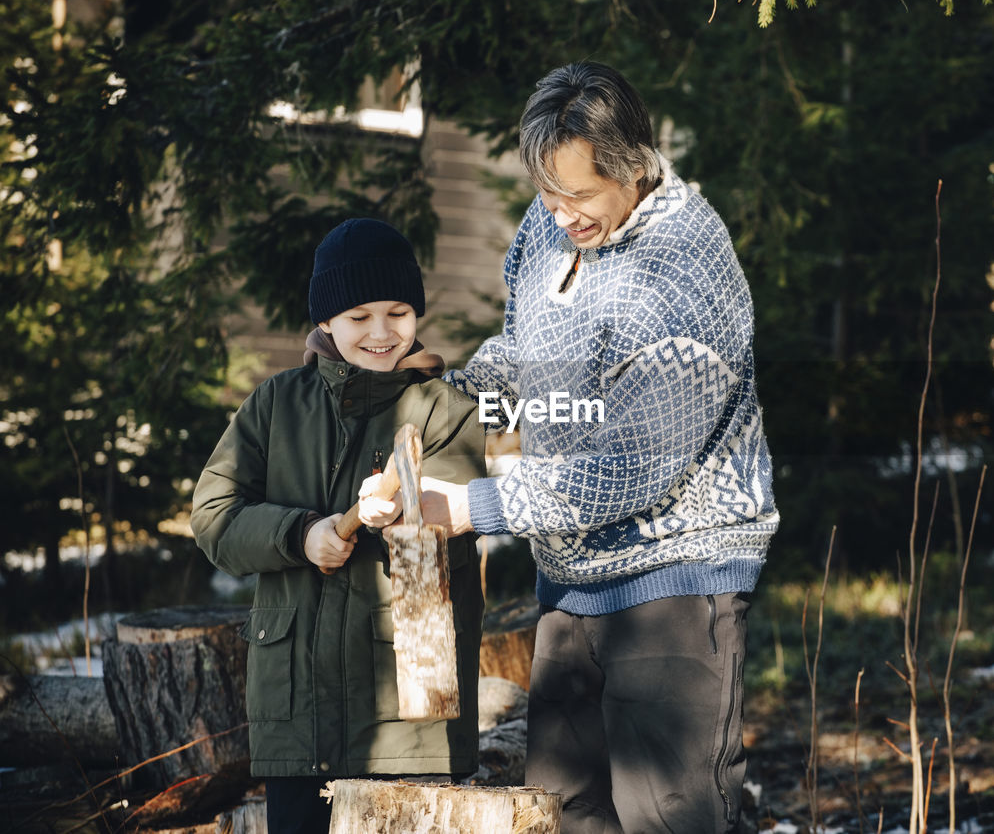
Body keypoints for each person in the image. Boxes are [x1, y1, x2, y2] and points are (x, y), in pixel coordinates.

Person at [363, 61, 779, 833]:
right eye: (548, 194)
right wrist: (449, 394)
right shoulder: (545, 230)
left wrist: (474, 506)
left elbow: (635, 466)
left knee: (669, 813)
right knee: (566, 808)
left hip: (672, 586)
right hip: (571, 577)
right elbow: (527, 356)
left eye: (580, 196)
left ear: (634, 167)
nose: (560, 216)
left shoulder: (685, 270)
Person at [191, 218, 486, 834]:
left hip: (411, 727)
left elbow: (445, 540)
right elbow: (215, 517)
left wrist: (405, 516)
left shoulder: (445, 413)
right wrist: (301, 535)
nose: (381, 333)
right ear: (325, 320)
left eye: (398, 312)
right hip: (298, 718)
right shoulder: (275, 405)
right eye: (358, 316)